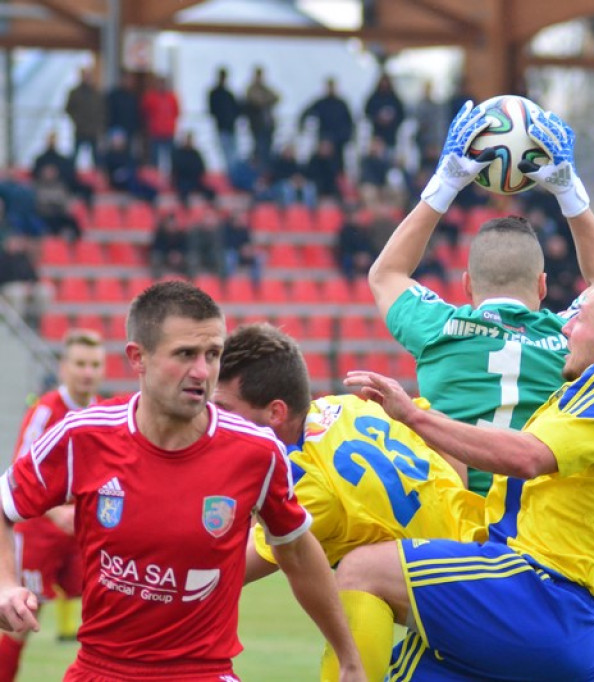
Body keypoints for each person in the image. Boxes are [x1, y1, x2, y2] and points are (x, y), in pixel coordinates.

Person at [0, 281, 365, 681]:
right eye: (185, 354)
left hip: (204, 672)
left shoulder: (257, 452)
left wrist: (349, 658)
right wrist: (5, 584)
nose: (202, 371)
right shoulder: (82, 437)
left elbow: (296, 549)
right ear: (137, 358)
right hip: (102, 670)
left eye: (213, 354)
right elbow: (5, 503)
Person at [338, 271, 594, 681]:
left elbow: (527, 457)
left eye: (580, 318)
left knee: (362, 570)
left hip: (540, 596)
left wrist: (413, 416)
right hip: (567, 628)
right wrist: (431, 423)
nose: (566, 327)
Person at [369, 101, 594, 496]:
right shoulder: (570, 338)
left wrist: (446, 183)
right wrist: (568, 190)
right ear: (542, 286)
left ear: (467, 285)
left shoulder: (438, 328)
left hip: (455, 526)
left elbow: (385, 274)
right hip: (535, 528)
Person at [213, 322, 484, 682]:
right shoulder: (345, 407)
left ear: (276, 413)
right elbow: (441, 434)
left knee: (358, 575)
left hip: (467, 602)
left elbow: (223, 572)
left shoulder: (303, 485)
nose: (211, 420)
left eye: (223, 408)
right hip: (490, 554)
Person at [0, 329, 104, 682]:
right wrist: (56, 512)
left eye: (94, 365)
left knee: (105, 617)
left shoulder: (100, 413)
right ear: (64, 367)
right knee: (21, 620)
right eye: (80, 364)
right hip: (40, 533)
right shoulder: (46, 411)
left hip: (80, 535)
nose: (87, 372)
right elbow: (18, 475)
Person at [300, 77, 355, 174]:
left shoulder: (341, 104)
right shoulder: (321, 103)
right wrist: (301, 127)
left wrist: (346, 137)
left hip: (339, 141)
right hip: (324, 139)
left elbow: (350, 122)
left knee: (338, 169)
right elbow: (306, 113)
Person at [64, 68, 104, 168]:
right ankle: (71, 175)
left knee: (96, 157)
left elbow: (102, 111)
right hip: (80, 129)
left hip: (93, 131)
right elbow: (68, 109)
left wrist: (99, 125)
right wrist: (77, 120)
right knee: (74, 156)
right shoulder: (75, 93)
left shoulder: (96, 93)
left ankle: (97, 178)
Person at [139, 76, 180, 174]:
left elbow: (176, 112)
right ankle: (155, 178)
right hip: (155, 131)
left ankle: (172, 177)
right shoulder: (150, 97)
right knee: (154, 158)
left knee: (172, 157)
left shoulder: (172, 97)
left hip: (169, 131)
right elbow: (144, 111)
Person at [244, 67, 280, 167]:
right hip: (257, 125)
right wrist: (266, 100)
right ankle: (260, 170)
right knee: (259, 149)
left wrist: (264, 98)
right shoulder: (251, 88)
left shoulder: (265, 88)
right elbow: (257, 101)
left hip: (268, 125)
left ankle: (266, 169)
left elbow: (277, 97)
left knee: (268, 149)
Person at [207, 67, 240, 168]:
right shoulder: (216, 93)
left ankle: (233, 173)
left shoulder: (227, 93)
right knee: (227, 153)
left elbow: (236, 109)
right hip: (223, 126)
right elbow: (213, 110)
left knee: (233, 153)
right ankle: (231, 174)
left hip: (230, 127)